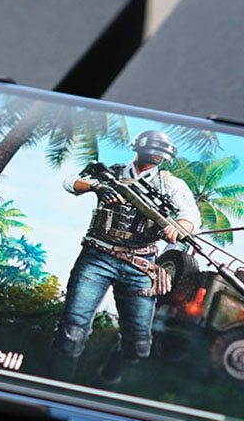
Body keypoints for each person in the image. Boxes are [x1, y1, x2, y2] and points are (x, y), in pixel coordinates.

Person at [49, 130, 201, 387]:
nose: (157, 158)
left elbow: (191, 216)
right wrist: (97, 187)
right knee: (71, 332)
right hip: (97, 257)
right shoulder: (113, 172)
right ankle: (55, 388)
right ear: (139, 149)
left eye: (161, 155)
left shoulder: (171, 185)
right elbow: (70, 181)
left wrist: (177, 228)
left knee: (138, 346)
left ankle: (104, 384)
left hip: (140, 265)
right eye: (153, 152)